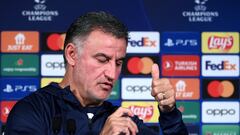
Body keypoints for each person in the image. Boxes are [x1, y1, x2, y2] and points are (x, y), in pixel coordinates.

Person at [5, 11, 188, 135]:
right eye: (102, 59)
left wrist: (169, 112)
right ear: (72, 54)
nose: (112, 73)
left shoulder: (122, 120)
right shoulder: (33, 111)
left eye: (118, 62)